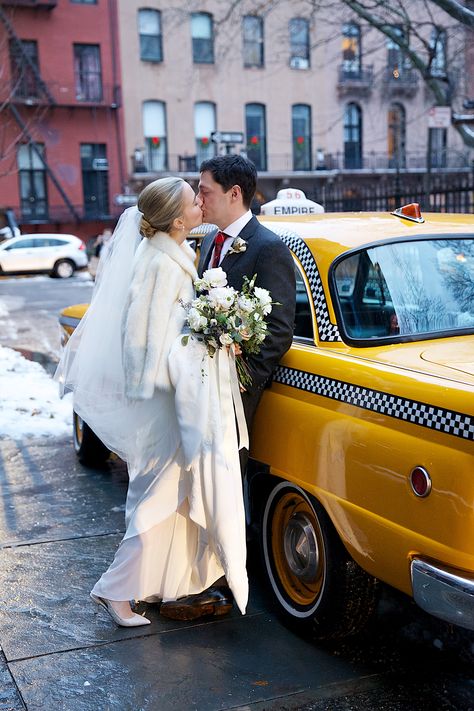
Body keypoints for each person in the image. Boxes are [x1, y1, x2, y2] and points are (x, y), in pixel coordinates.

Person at [55, 177, 249, 627]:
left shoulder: (173, 252)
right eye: (193, 200)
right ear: (178, 220)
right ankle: (113, 590)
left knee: (173, 495)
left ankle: (161, 583)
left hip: (175, 401)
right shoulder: (158, 264)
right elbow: (142, 344)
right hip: (165, 403)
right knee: (156, 497)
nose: (202, 202)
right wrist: (205, 345)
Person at [158, 155, 296, 621]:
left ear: (235, 193)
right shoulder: (210, 242)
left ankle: (219, 580)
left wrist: (236, 386)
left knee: (223, 488)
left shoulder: (267, 248)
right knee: (196, 484)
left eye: (206, 191)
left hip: (231, 398)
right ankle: (197, 576)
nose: (199, 199)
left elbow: (276, 332)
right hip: (197, 394)